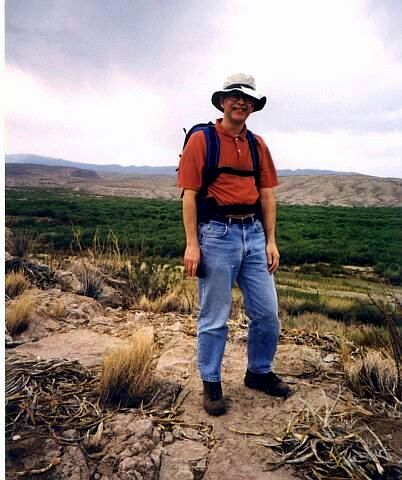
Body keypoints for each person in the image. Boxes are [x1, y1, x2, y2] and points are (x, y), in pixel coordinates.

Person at [177, 73, 290, 416]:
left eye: (248, 99)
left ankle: (259, 372)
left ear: (253, 106)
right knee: (214, 317)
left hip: (253, 235)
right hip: (216, 236)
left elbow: (267, 195)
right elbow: (190, 196)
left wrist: (271, 241)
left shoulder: (258, 145)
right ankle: (211, 384)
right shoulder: (202, 140)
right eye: (235, 97)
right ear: (223, 101)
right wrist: (192, 244)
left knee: (267, 313)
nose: (241, 103)